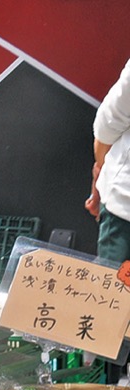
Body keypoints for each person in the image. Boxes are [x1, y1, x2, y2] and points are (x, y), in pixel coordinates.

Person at [86, 57, 130, 265]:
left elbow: (107, 128)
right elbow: (108, 127)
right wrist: (102, 178)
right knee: (114, 294)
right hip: (124, 216)